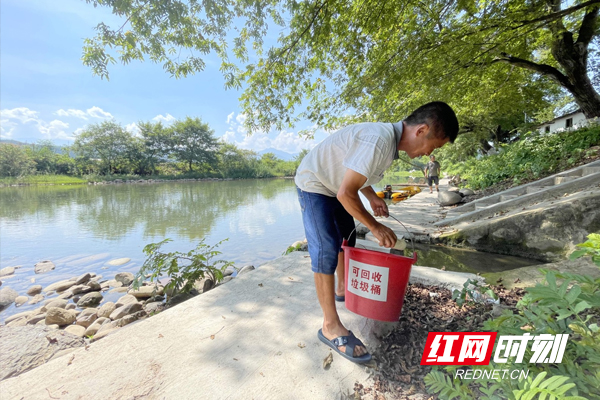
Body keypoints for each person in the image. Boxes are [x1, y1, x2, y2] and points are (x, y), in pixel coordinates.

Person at [294, 101, 459, 364]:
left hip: (334, 184)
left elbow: (357, 174)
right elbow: (345, 193)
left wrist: (371, 196)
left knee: (347, 236)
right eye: (435, 145)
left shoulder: (388, 144)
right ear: (422, 130)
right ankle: (330, 325)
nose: (430, 152)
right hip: (314, 182)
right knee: (326, 246)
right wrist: (375, 225)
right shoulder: (379, 140)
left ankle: (341, 287)